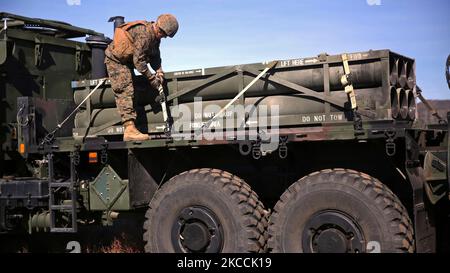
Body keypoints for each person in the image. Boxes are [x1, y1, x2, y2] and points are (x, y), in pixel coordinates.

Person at [104, 14, 179, 141]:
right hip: (116, 61)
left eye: (166, 36)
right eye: (163, 34)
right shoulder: (144, 34)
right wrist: (151, 79)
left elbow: (154, 55)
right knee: (126, 90)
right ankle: (129, 130)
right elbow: (139, 61)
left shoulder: (155, 37)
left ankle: (134, 127)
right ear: (158, 28)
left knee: (135, 92)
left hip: (127, 61)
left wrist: (159, 70)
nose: (163, 37)